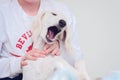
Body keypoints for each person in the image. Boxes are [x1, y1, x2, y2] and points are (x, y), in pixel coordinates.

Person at [0, 0, 90, 80]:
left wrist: (60, 47)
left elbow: (76, 59)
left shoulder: (63, 11)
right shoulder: (3, 12)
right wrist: (19, 62)